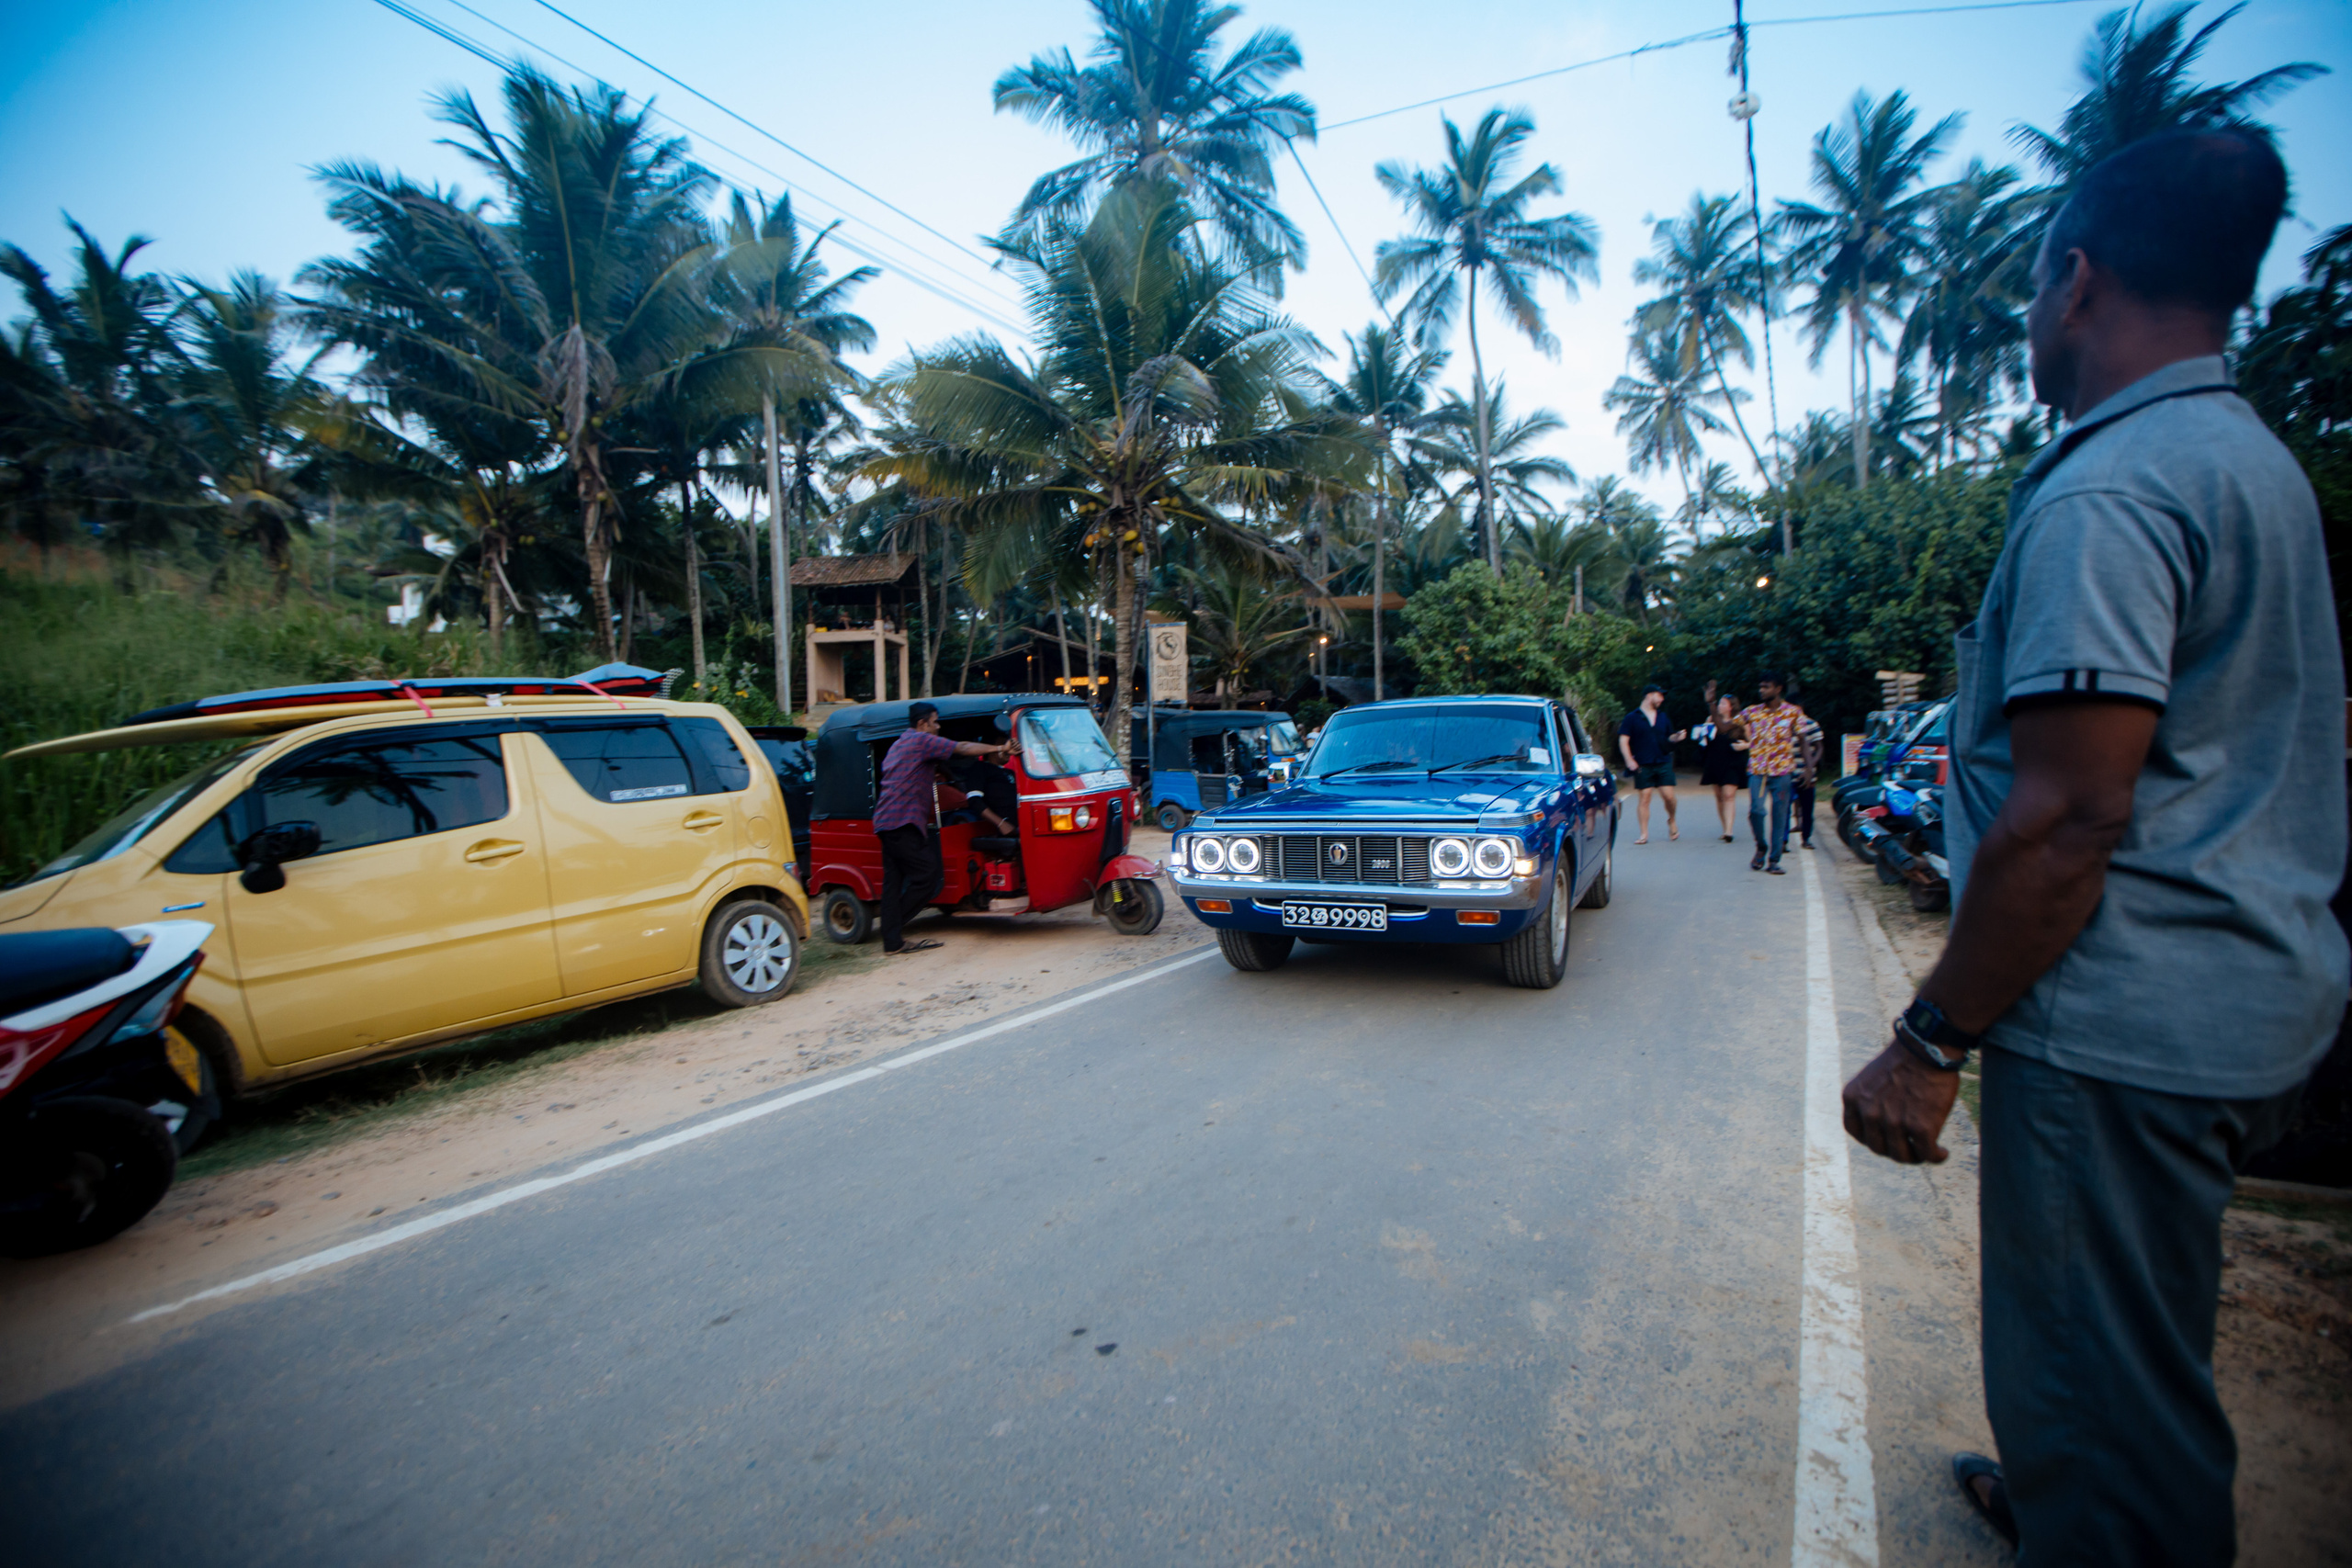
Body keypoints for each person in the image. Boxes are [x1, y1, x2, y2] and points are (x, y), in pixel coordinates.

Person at [1838, 130, 2345, 1566]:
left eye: (2033, 279)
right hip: (2243, 993)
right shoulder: (2247, 458)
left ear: (2076, 278)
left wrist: (1931, 1039)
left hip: (2125, 1017)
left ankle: (2100, 1511)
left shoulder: (2110, 490)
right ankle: (2084, 1482)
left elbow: (2068, 816)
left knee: (2096, 1386)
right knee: (2136, 1339)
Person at [872, 702, 1015, 955]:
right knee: (928, 875)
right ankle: (892, 928)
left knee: (893, 882)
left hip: (885, 821)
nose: (938, 727)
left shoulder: (900, 744)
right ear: (922, 724)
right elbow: (962, 747)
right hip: (903, 821)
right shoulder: (921, 741)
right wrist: (1000, 747)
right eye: (935, 722)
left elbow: (938, 767)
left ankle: (892, 942)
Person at [1734, 674, 1806, 874]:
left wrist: (1808, 769)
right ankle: (1761, 846)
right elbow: (1726, 727)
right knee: (1756, 811)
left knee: (1779, 815)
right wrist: (1712, 704)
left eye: (1766, 687)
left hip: (1782, 771)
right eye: (1760, 687)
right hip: (1758, 770)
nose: (1762, 690)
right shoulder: (1752, 711)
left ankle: (1774, 860)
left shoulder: (1793, 712)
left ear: (1778, 689)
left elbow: (1803, 740)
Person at [1617, 685, 1688, 843]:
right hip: (1643, 763)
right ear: (1649, 696)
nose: (1662, 699)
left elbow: (1668, 738)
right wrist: (1629, 760)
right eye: (1659, 695)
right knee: (1645, 797)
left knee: (1669, 797)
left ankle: (1672, 819)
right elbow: (1623, 740)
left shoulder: (1663, 717)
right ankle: (1644, 834)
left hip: (1662, 761)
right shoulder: (1632, 717)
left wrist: (1676, 737)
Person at [1695, 692, 1747, 842]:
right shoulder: (1711, 719)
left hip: (1733, 761)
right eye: (1719, 703)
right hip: (1715, 760)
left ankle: (1729, 831)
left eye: (1723, 703)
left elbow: (1753, 741)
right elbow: (1704, 739)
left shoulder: (1740, 722)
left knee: (1728, 795)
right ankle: (1725, 828)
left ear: (1731, 707)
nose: (1720, 706)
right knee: (1719, 796)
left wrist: (1745, 745)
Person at [1792, 709, 1826, 850]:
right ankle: (1782, 841)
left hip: (1807, 774)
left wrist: (1809, 768)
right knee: (1783, 808)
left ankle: (1806, 838)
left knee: (1807, 808)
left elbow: (1819, 747)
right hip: (1787, 773)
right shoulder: (1783, 724)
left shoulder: (1811, 724)